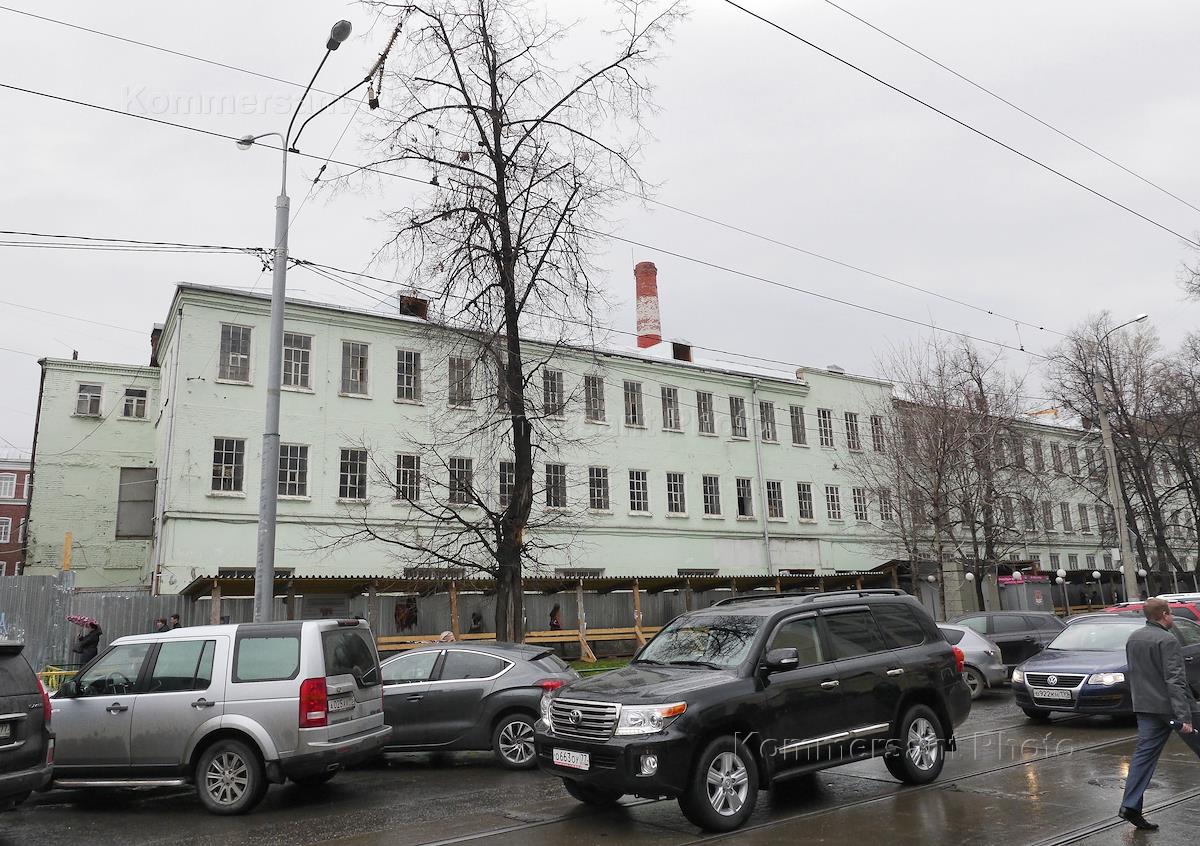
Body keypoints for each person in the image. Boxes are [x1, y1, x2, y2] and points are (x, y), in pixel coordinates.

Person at [1118, 598, 1200, 830]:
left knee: (1143, 757)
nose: (1172, 617)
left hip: (1146, 706)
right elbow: (1174, 680)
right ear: (1164, 614)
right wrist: (1184, 717)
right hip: (1172, 707)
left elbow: (1135, 672)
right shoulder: (1167, 639)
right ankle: (1130, 806)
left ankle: (1130, 805)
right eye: (1170, 613)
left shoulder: (1134, 638)